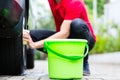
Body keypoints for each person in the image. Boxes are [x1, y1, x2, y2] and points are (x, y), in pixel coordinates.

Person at [23, 0, 96, 76]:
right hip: (65, 37)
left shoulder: (75, 2)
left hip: (85, 40)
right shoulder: (52, 1)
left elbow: (64, 33)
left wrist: (34, 45)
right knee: (31, 35)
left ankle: (83, 61)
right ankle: (64, 59)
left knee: (77, 24)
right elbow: (60, 31)